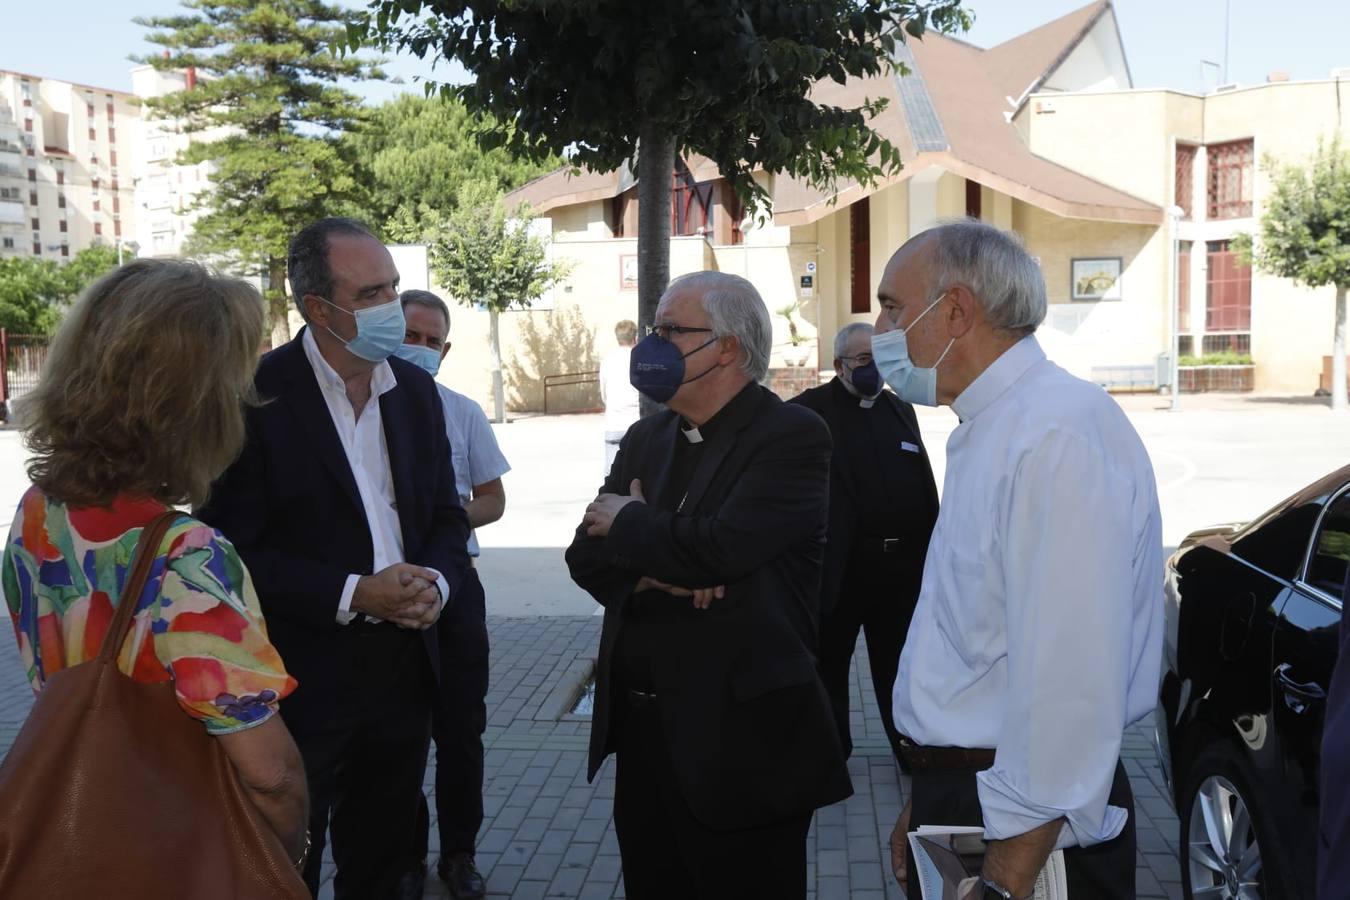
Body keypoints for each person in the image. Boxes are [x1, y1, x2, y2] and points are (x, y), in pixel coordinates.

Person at [877, 221, 1162, 900]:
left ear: (954, 310)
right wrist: (931, 793)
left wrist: (1005, 879)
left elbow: (1070, 684)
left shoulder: (1051, 435)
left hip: (1027, 833)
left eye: (892, 306)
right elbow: (984, 655)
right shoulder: (999, 426)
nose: (880, 330)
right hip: (982, 798)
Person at [197, 217, 473, 899]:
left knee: (383, 860)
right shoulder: (254, 397)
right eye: (373, 293)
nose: (393, 306)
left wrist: (434, 580)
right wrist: (355, 592)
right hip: (300, 677)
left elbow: (445, 514)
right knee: (288, 863)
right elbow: (232, 555)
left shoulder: (414, 395)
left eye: (394, 287)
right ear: (318, 309)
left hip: (405, 667)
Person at [1, 260, 309, 867]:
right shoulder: (187, 557)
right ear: (197, 404)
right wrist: (284, 861)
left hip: (77, 826)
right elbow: (271, 775)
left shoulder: (37, 513)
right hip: (172, 848)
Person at [565, 271, 851, 899]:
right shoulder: (647, 436)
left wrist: (635, 525)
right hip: (644, 741)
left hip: (742, 748)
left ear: (727, 347)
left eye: (672, 330)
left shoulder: (791, 435)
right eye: (654, 329)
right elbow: (583, 559)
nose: (654, 344)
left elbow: (724, 549)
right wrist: (658, 568)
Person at [396, 289, 511, 900]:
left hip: (456, 586)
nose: (418, 348)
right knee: (398, 731)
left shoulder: (461, 411)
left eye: (430, 341)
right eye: (408, 334)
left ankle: (459, 855)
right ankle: (406, 857)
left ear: (445, 349)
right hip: (386, 591)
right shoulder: (362, 409)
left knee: (461, 729)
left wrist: (447, 525)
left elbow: (492, 498)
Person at [788, 322, 937, 766]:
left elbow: (922, 484)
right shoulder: (808, 412)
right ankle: (829, 757)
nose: (875, 370)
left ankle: (909, 751)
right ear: (838, 366)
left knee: (900, 669)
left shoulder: (899, 409)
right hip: (839, 570)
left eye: (881, 360)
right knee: (828, 665)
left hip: (898, 571)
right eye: (863, 360)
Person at [599, 319, 640, 474]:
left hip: (614, 424)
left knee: (611, 473)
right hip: (636, 423)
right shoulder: (639, 358)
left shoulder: (607, 360)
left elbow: (604, 394)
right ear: (635, 337)